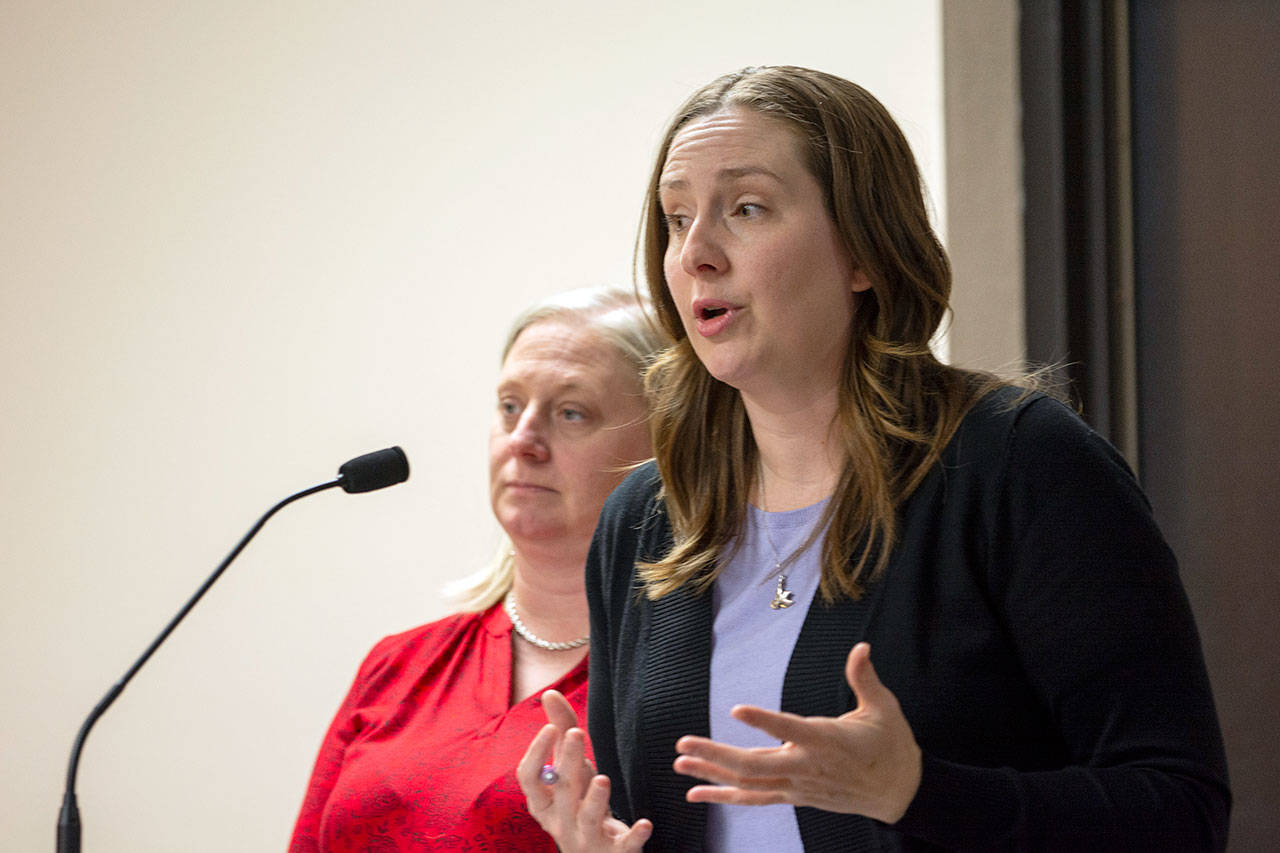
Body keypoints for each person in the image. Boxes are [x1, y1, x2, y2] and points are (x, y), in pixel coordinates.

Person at [518, 66, 1230, 851]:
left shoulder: (1020, 465)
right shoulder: (647, 519)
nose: (696, 255)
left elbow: (1179, 810)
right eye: (677, 218)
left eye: (746, 208)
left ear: (864, 250)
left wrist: (917, 792)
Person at [289, 285, 668, 852]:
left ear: (665, 445)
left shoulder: (686, 679)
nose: (523, 441)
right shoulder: (400, 665)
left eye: (571, 412)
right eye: (510, 406)